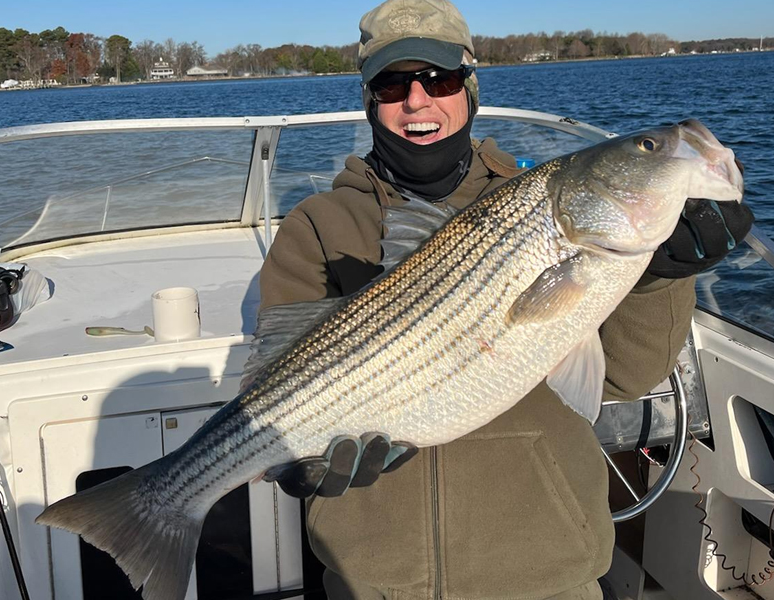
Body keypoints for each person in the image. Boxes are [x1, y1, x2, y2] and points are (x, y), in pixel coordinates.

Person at [258, 0, 755, 598]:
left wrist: (662, 275)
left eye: (438, 79)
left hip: (549, 575)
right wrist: (303, 459)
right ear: (370, 101)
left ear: (470, 89)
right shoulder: (318, 225)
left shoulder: (545, 202)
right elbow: (281, 372)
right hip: (374, 584)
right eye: (393, 85)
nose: (418, 101)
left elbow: (624, 377)